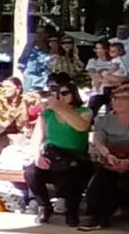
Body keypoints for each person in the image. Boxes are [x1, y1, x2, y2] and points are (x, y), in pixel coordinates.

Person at [83, 81, 129, 232]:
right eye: (115, 98)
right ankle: (97, 217)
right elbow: (99, 141)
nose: (117, 102)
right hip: (111, 157)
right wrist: (108, 156)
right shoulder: (104, 120)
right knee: (100, 178)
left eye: (123, 98)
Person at [22, 74, 92, 225]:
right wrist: (37, 156)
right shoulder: (47, 114)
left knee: (75, 174)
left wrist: (60, 107)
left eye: (65, 93)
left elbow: (81, 126)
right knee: (31, 172)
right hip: (52, 155)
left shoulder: (84, 111)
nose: (60, 96)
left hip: (76, 158)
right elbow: (37, 138)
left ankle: (71, 211)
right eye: (57, 93)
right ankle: (44, 206)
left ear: (73, 94)